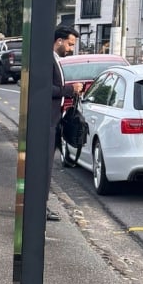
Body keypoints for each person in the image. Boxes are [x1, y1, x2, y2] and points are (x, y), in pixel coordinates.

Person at [48, 26, 83, 221]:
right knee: (43, 167)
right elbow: (45, 88)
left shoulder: (55, 59)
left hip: (54, 120)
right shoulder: (48, 59)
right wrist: (69, 90)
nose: (70, 48)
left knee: (47, 167)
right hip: (47, 122)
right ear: (59, 41)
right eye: (70, 44)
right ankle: (39, 206)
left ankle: (41, 205)